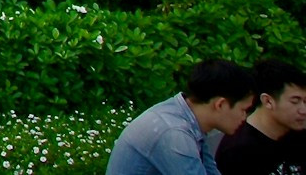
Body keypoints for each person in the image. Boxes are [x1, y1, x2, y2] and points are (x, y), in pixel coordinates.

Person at [109, 59, 256, 175]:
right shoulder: (174, 133)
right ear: (220, 104)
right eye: (244, 110)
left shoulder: (189, 119)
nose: (245, 117)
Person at [217, 59, 306, 175]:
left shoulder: (297, 131)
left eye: (305, 101)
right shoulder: (238, 151)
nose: (303, 110)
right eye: (295, 101)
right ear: (268, 101)